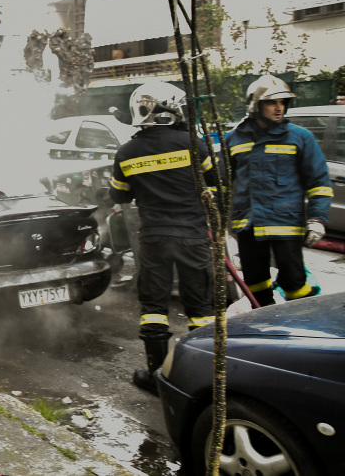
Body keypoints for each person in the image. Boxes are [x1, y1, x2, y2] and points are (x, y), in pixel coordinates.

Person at [109, 81, 215, 395]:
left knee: (153, 308)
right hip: (194, 237)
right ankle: (205, 376)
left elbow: (120, 195)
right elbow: (215, 184)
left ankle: (156, 375)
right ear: (173, 109)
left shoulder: (127, 151)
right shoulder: (195, 144)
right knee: (200, 310)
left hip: (153, 239)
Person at [226, 74, 332, 306]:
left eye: (283, 102)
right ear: (256, 105)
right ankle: (265, 328)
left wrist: (317, 219)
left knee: (295, 282)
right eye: (272, 102)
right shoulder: (233, 139)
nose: (279, 108)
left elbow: (319, 182)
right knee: (255, 282)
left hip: (285, 223)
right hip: (248, 225)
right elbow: (221, 182)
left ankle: (301, 328)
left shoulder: (300, 138)